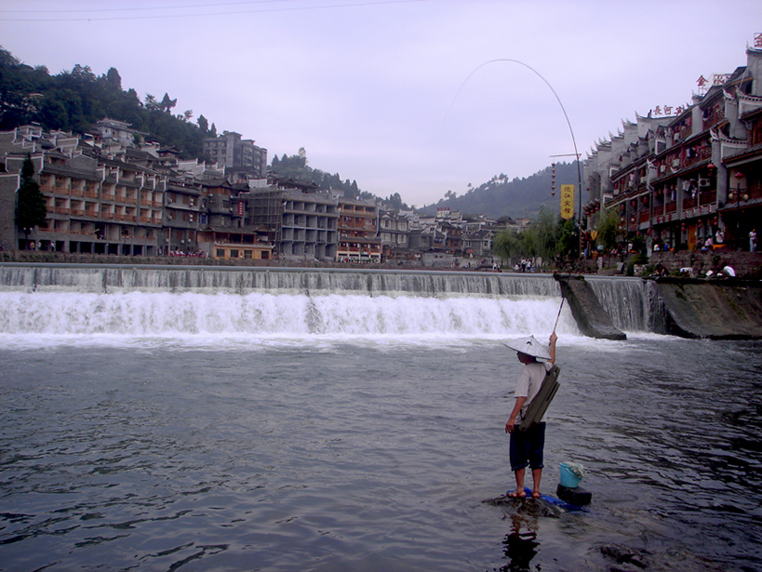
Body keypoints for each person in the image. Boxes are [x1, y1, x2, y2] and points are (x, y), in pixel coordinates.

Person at [504, 332, 558, 499]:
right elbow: (551, 361)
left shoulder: (525, 372)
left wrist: (512, 418)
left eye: (520, 352)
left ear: (527, 356)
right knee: (536, 454)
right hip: (540, 419)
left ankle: (520, 489)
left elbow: (521, 398)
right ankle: (536, 490)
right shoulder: (544, 368)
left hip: (524, 421)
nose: (517, 354)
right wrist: (553, 343)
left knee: (518, 455)